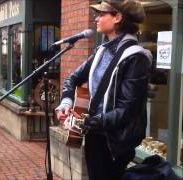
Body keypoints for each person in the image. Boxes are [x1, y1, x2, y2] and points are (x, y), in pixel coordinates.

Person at [55, 0, 152, 179]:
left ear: (118, 17)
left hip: (115, 143)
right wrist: (66, 102)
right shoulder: (101, 50)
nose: (96, 18)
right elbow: (73, 78)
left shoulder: (136, 57)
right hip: (95, 135)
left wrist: (87, 122)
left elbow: (127, 110)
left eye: (101, 14)